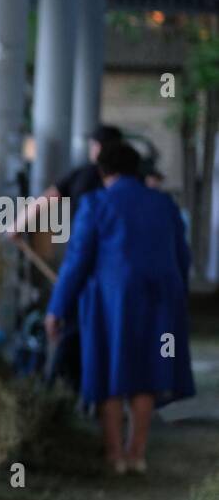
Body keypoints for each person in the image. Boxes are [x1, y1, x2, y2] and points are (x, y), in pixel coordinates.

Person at [45, 141, 195, 474]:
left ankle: (114, 457)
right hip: (159, 299)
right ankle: (137, 454)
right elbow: (182, 257)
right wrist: (178, 298)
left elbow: (77, 261)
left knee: (107, 371)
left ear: (103, 171)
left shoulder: (96, 203)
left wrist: (57, 308)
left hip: (111, 301)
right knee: (147, 373)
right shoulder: (164, 204)